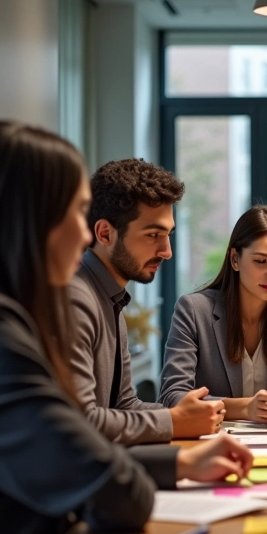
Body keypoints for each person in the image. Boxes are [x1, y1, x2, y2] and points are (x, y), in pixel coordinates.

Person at [0, 121, 254, 534]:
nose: (82, 230)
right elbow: (107, 481)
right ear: (28, 219)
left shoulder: (0, 312)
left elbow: (68, 451)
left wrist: (179, 459)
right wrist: (171, 442)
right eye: (73, 211)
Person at [70, 159, 224, 444]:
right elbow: (81, 422)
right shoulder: (76, 300)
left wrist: (203, 417)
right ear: (105, 233)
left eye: (168, 235)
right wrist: (175, 422)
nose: (166, 252)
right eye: (153, 235)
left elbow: (126, 406)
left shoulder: (110, 298)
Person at [159, 205, 267, 422]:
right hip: (212, 441)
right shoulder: (193, 310)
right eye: (261, 261)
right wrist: (244, 408)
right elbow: (173, 397)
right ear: (235, 259)